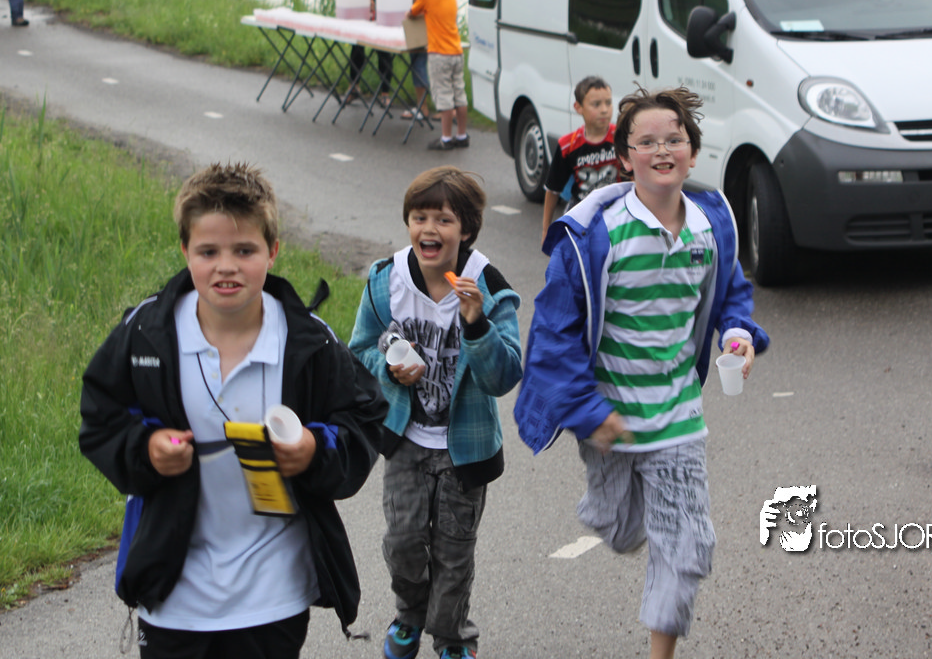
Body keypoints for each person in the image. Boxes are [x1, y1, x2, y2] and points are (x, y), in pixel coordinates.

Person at [79, 162, 388, 659]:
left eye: (244, 250)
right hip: (173, 593)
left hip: (273, 592)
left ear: (273, 251)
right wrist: (147, 449)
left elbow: (365, 417)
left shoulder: (307, 341)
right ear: (185, 251)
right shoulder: (147, 334)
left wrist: (314, 449)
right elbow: (100, 418)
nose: (227, 266)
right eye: (209, 252)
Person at [514, 87, 770, 659]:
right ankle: (611, 511)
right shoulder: (593, 237)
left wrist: (737, 335)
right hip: (610, 418)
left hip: (679, 418)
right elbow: (553, 334)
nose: (661, 150)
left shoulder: (710, 228)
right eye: (647, 142)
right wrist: (589, 415)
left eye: (674, 139)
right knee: (622, 529)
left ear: (692, 153)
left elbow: (731, 294)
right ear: (626, 159)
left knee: (687, 545)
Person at [349, 166, 522, 659]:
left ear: (465, 229)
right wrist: (388, 368)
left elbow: (504, 376)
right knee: (403, 542)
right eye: (419, 217)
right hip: (405, 439)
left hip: (464, 448)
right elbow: (359, 351)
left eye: (444, 220)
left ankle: (451, 637)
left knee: (453, 552)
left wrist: (476, 324)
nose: (429, 229)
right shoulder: (386, 281)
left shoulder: (487, 287)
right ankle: (409, 615)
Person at [540, 76, 619, 243]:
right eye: (596, 104)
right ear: (578, 107)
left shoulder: (622, 138)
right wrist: (546, 229)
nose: (604, 110)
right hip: (582, 215)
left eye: (608, 103)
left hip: (617, 214)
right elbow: (553, 190)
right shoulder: (567, 145)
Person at [409, 0, 468, 151]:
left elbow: (411, 13)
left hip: (439, 54)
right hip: (456, 52)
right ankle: (462, 135)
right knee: (459, 94)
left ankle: (446, 138)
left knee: (444, 96)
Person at [347, 0, 408, 107]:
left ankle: (385, 92)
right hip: (367, 2)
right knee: (358, 44)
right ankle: (354, 86)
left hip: (387, 6)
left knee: (384, 48)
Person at [390, 0, 432, 122]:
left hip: (421, 16)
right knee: (423, 61)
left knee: (417, 61)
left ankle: (422, 108)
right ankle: (436, 107)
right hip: (432, 15)